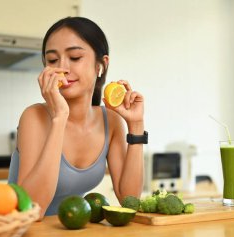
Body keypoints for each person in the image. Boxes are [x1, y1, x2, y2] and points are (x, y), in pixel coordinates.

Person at [8, 17, 146, 219]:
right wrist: (60, 117)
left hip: (70, 235)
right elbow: (31, 211)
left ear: (101, 65)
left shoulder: (111, 121)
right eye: (53, 60)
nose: (62, 67)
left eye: (74, 57)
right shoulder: (34, 117)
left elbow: (130, 199)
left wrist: (136, 126)